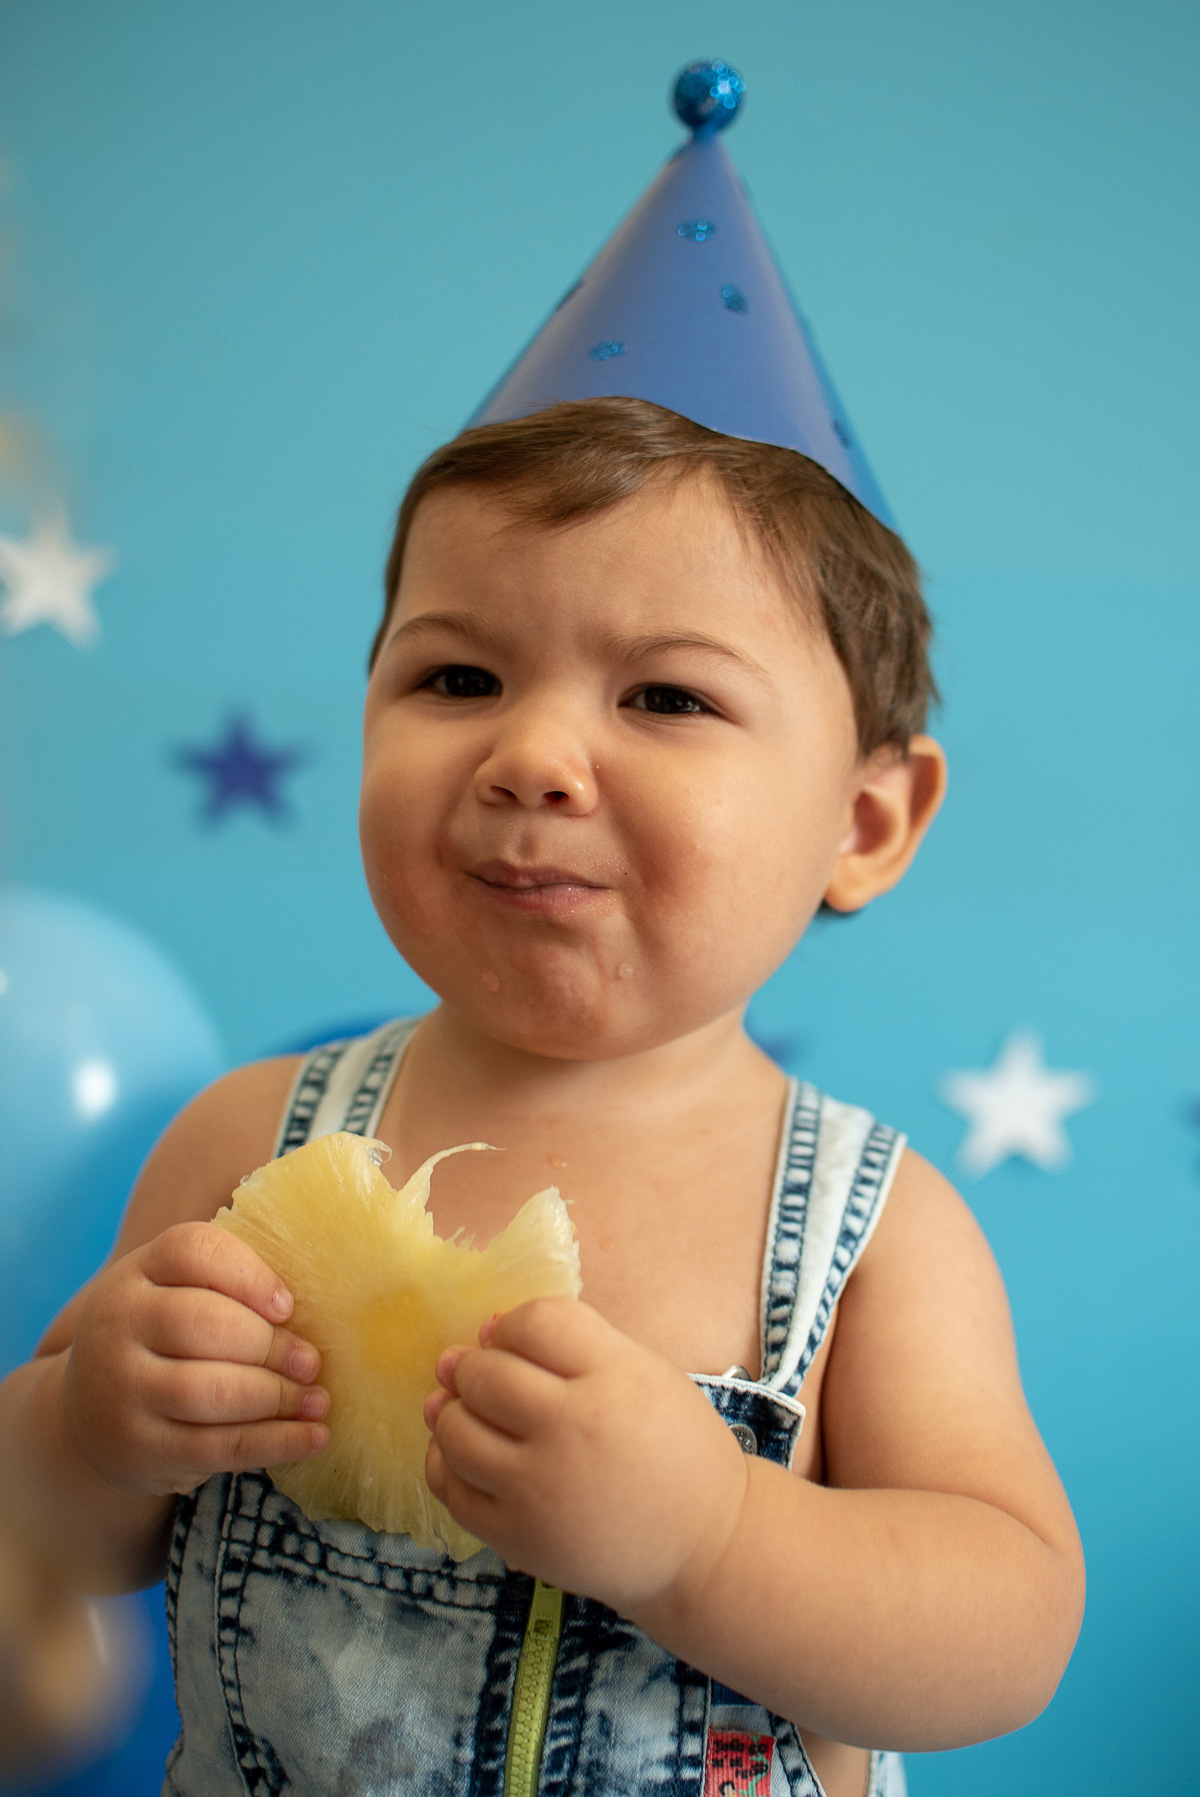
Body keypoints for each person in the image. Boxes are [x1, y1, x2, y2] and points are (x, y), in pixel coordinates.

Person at [0, 66, 1084, 1797]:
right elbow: (55, 1542)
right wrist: (81, 1423)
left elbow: (1007, 1630)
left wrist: (707, 1528)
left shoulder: (876, 1237)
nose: (528, 754)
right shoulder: (244, 1141)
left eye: (664, 692)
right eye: (457, 675)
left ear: (864, 822)